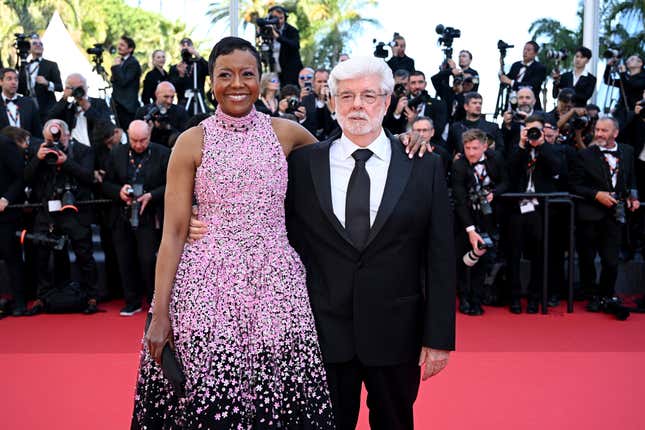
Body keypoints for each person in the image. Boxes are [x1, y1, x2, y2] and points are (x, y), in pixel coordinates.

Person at [131, 36, 335, 428]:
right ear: (211, 81)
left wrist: (401, 141)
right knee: (215, 394)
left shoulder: (287, 133)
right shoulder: (192, 142)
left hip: (275, 283)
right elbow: (172, 234)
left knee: (281, 394)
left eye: (247, 74)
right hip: (206, 286)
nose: (237, 84)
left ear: (262, 79)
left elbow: (340, 163)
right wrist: (159, 314)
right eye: (225, 74)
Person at [23, 119, 99, 316]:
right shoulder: (38, 152)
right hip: (47, 211)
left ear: (66, 134)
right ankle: (42, 297)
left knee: (84, 254)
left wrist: (66, 163)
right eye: (49, 140)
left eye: (57, 139)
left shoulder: (82, 151)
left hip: (75, 210)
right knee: (41, 255)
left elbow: (89, 177)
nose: (53, 144)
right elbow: (26, 178)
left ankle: (91, 296)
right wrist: (37, 159)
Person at [569, 117, 640, 311]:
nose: (599, 134)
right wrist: (596, 194)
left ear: (615, 133)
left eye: (604, 131)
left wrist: (633, 196)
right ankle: (591, 294)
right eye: (597, 129)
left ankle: (606, 294)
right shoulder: (584, 155)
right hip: (589, 215)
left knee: (611, 260)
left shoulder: (627, 151)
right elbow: (574, 185)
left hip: (614, 215)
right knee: (587, 258)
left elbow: (631, 178)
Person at [102, 120, 169, 316]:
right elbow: (105, 184)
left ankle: (153, 299)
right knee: (125, 259)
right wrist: (119, 191)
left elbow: (172, 184)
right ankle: (131, 301)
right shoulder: (117, 153)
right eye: (134, 140)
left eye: (143, 140)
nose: (139, 145)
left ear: (150, 136)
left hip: (149, 214)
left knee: (148, 259)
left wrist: (152, 195)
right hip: (122, 214)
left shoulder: (162, 153)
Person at [451, 129, 508, 316]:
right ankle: (464, 298)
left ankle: (477, 299)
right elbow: (459, 199)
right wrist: (470, 229)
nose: (471, 152)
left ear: (485, 146)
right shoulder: (459, 165)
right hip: (464, 219)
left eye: (475, 148)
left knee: (483, 261)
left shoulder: (496, 158)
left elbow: (506, 182)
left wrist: (494, 193)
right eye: (467, 148)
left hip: (489, 217)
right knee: (464, 260)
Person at [47, 73, 112, 148]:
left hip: (94, 150)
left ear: (87, 87)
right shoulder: (68, 107)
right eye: (74, 88)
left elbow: (106, 126)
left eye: (80, 87)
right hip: (74, 151)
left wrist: (87, 107)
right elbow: (50, 120)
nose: (78, 91)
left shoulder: (98, 103)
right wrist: (64, 98)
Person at [0, 133, 26, 316]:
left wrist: (7, 198)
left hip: (6, 213)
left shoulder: (4, 143)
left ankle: (20, 303)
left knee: (12, 257)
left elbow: (21, 175)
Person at [17, 38, 63, 118]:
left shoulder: (51, 65)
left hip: (47, 110)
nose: (38, 45)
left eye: (41, 44)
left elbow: (60, 87)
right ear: (29, 48)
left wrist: (47, 83)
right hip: (28, 109)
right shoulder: (24, 65)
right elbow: (20, 89)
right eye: (34, 43)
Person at [135, 81, 189, 147]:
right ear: (156, 94)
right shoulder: (143, 111)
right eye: (166, 97)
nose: (169, 101)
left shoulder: (180, 111)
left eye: (172, 97)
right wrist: (148, 129)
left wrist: (168, 127)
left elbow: (185, 136)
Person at [499, 41, 547, 110]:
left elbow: (532, 86)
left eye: (528, 50)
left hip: (529, 106)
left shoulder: (539, 68)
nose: (525, 52)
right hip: (512, 103)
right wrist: (501, 67)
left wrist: (511, 82)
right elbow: (505, 79)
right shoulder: (516, 65)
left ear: (535, 53)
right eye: (524, 49)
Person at [267, 5, 304, 87]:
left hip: (291, 72)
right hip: (275, 70)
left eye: (281, 18)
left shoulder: (292, 30)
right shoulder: (268, 30)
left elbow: (295, 45)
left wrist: (279, 37)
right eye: (275, 18)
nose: (278, 21)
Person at [110, 35, 141, 129]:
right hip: (118, 104)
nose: (119, 47)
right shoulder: (121, 61)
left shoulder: (133, 63)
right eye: (119, 44)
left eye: (122, 45)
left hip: (127, 107)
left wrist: (116, 67)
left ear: (130, 49)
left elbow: (124, 81)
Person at [1, 67, 42, 137]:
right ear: (1, 82)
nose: (14, 82)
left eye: (16, 79)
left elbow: (37, 133)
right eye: (9, 79)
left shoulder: (29, 104)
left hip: (27, 146)